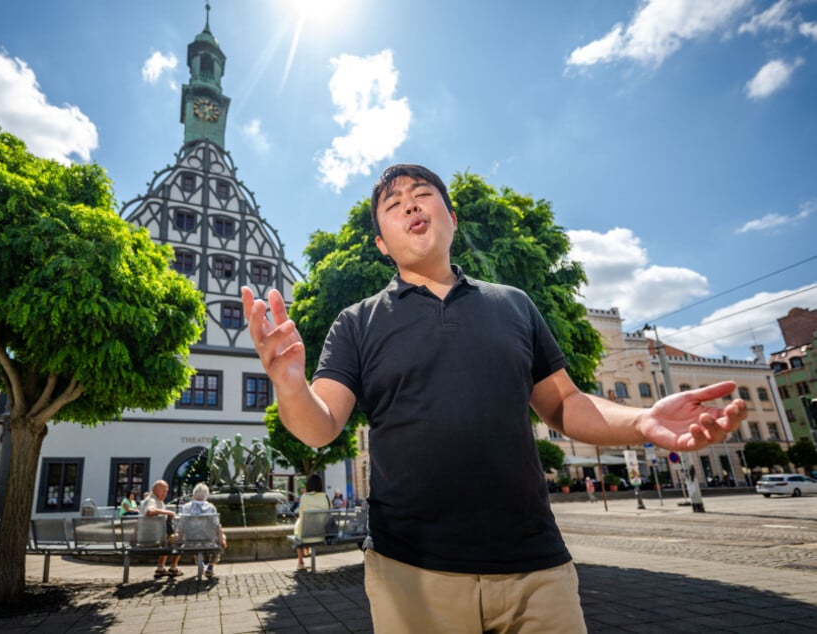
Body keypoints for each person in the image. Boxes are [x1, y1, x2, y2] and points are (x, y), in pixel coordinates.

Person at [241, 163, 748, 632]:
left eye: (422, 196)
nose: (411, 206)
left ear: (452, 218)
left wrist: (642, 422)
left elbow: (565, 403)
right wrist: (289, 384)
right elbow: (321, 424)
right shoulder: (356, 322)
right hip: (411, 571)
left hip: (537, 567)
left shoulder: (514, 305)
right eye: (394, 206)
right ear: (381, 243)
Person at [179, 482, 227, 579]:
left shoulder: (186, 507)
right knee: (221, 541)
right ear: (207, 494)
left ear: (194, 493)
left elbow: (181, 526)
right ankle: (211, 566)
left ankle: (200, 563)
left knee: (194, 539)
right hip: (209, 541)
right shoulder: (211, 507)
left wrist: (180, 539)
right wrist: (222, 539)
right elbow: (217, 526)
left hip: (190, 542)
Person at [140, 479, 182, 578]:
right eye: (164, 490)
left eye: (166, 491)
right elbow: (150, 511)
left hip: (148, 537)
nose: (166, 493)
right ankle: (173, 568)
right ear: (156, 490)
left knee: (169, 537)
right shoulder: (152, 500)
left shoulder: (154, 500)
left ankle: (160, 569)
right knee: (181, 538)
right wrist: (168, 512)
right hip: (153, 539)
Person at [293, 474, 331, 571]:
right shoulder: (326, 497)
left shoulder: (304, 497)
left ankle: (301, 562)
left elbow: (301, 515)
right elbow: (330, 512)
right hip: (323, 534)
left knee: (298, 526)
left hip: (307, 535)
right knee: (310, 524)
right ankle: (307, 549)